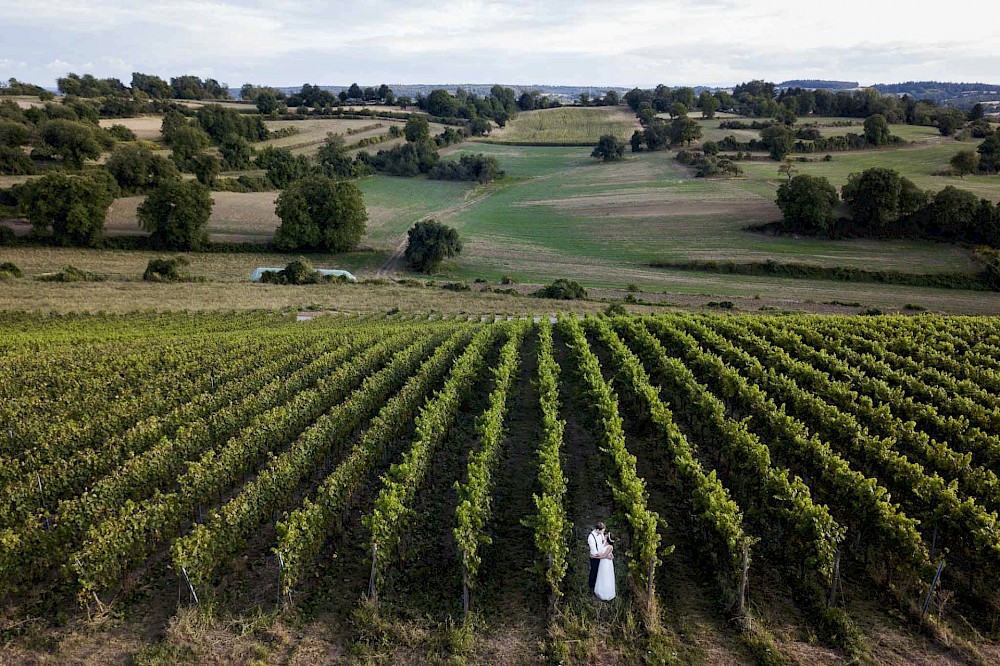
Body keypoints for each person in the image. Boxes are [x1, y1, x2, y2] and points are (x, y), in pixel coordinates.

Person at [594, 528, 616, 601]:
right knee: (601, 575)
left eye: (607, 534)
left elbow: (604, 556)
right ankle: (600, 590)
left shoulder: (610, 547)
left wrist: (595, 556)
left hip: (606, 563)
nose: (605, 534)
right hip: (603, 562)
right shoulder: (604, 542)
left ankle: (606, 593)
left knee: (606, 576)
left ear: (608, 537)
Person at [588, 522, 606, 593]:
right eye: (602, 531)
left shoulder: (601, 533)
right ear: (598, 530)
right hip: (595, 557)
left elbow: (603, 542)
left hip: (601, 555)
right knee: (594, 571)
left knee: (600, 571)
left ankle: (599, 585)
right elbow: (594, 552)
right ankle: (591, 586)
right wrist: (604, 556)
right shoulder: (591, 537)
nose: (602, 533)